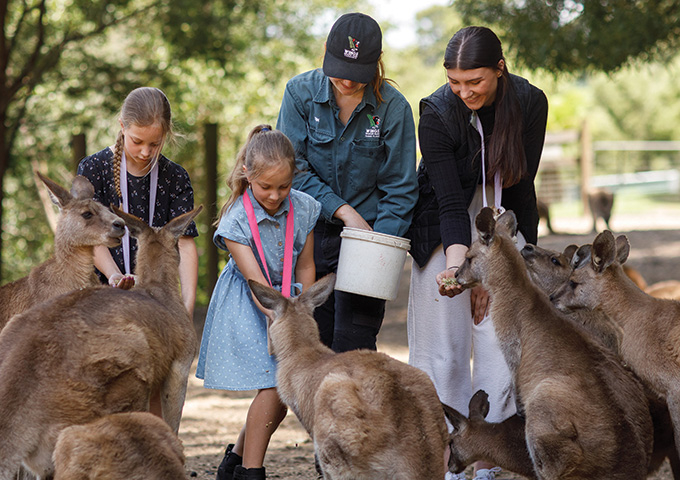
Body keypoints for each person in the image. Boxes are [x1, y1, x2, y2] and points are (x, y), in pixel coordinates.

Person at [405, 26, 548, 480]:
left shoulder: (529, 103)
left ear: (500, 70)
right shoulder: (435, 113)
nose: (464, 92)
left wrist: (508, 264)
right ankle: (446, 465)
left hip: (502, 222)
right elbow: (449, 204)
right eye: (455, 83)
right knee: (442, 350)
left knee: (501, 345)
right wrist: (458, 273)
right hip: (444, 229)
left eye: (475, 82)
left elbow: (523, 185)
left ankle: (487, 463)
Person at [276, 12, 418, 353]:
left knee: (355, 347)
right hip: (310, 235)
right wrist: (343, 212)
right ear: (326, 50)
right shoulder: (299, 93)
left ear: (377, 63)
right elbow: (291, 170)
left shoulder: (394, 108)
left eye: (357, 74)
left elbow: (400, 188)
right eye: (339, 69)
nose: (348, 82)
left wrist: (375, 245)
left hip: (371, 238)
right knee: (313, 347)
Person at [195, 125, 320, 480]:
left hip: (290, 304)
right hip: (253, 304)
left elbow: (306, 264)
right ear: (247, 174)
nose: (276, 195)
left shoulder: (306, 208)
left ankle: (233, 463)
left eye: (284, 186)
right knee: (274, 387)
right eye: (266, 187)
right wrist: (280, 316)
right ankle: (252, 471)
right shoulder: (236, 221)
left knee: (279, 394)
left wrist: (302, 308)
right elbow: (257, 283)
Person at [77, 86, 199, 319]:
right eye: (137, 141)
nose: (145, 152)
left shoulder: (175, 177)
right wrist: (115, 277)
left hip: (156, 299)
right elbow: (89, 236)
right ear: (123, 126)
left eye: (155, 144)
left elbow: (184, 243)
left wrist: (188, 305)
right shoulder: (93, 168)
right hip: (101, 296)